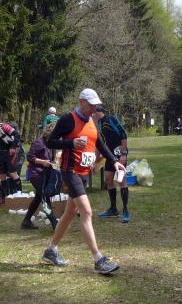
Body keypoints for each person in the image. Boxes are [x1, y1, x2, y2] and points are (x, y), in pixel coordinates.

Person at [41, 88, 126, 275]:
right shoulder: (68, 119)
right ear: (81, 102)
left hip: (84, 173)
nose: (94, 109)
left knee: (70, 212)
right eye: (91, 105)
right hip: (70, 171)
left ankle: (51, 250)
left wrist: (114, 161)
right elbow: (50, 142)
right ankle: (98, 259)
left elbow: (100, 144)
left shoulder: (92, 120)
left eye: (96, 106)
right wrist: (70, 143)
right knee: (86, 212)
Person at [94, 106, 130, 223]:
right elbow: (98, 143)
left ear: (97, 112)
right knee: (108, 180)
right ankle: (113, 209)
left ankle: (125, 210)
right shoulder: (98, 124)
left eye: (93, 113)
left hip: (119, 154)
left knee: (121, 180)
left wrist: (123, 154)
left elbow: (123, 135)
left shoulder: (111, 119)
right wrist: (96, 161)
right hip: (109, 156)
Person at [21, 123, 59, 230]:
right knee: (44, 197)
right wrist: (42, 162)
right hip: (35, 174)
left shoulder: (51, 144)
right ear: (49, 133)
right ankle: (54, 223)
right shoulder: (38, 143)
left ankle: (26, 221)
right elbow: (30, 157)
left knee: (39, 197)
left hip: (45, 174)